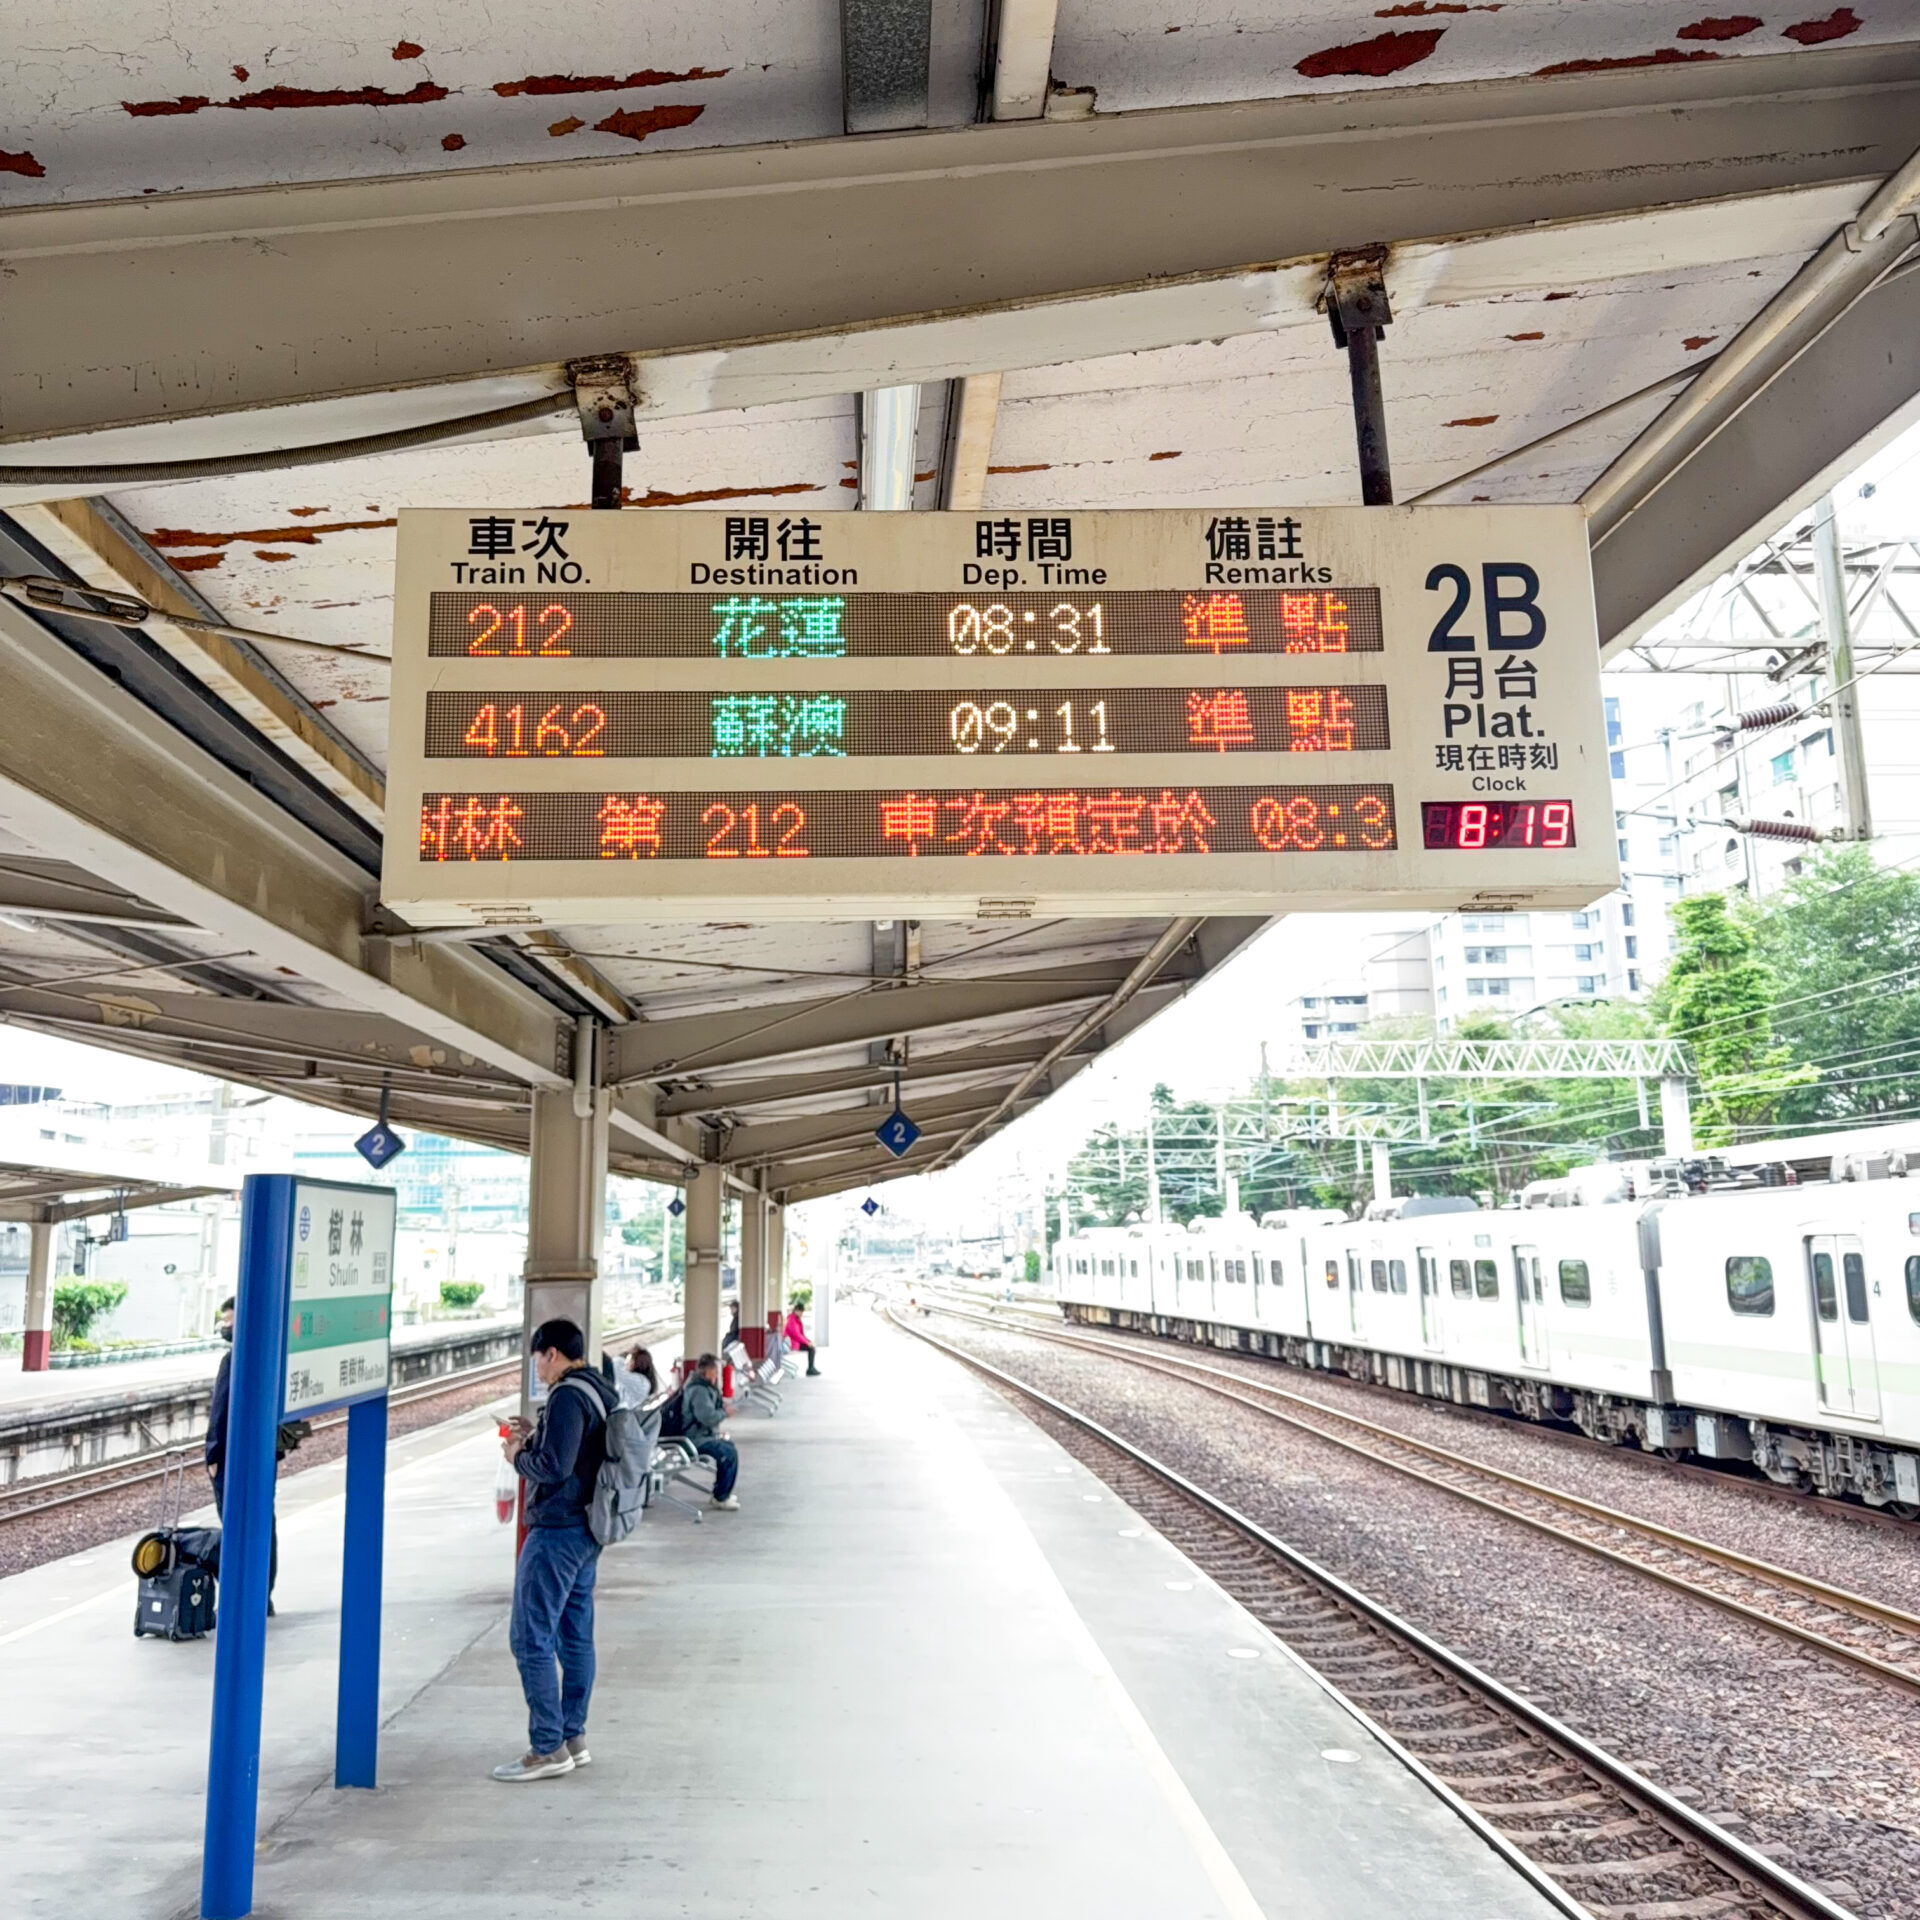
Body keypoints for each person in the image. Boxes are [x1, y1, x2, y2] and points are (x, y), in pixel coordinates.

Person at [493, 1319, 617, 1784]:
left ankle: (547, 1747)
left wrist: (517, 1456)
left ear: (551, 1354)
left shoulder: (567, 1396)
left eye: (537, 1360)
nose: (537, 1370)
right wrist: (537, 1432)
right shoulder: (597, 1388)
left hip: (558, 1531)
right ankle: (572, 1736)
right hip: (586, 1530)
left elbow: (554, 1466)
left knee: (530, 1637)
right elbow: (579, 1451)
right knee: (574, 1635)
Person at [205, 1296, 279, 1608]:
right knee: (264, 1522)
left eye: (229, 1321)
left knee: (234, 1525)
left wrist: (213, 1455)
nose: (225, 1326)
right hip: (264, 1456)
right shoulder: (270, 1355)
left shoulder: (232, 1360)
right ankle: (263, 1595)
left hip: (233, 1461)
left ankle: (239, 1596)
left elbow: (220, 1410)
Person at [681, 1352, 740, 1511]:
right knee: (727, 1453)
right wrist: (724, 1413)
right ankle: (721, 1497)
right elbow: (707, 1417)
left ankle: (721, 1492)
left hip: (700, 1435)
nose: (718, 1374)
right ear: (707, 1371)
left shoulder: (702, 1386)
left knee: (728, 1448)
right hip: (694, 1439)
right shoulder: (699, 1390)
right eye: (716, 1370)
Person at [783, 1304, 820, 1377]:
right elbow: (796, 1335)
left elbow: (801, 1334)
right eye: (801, 1312)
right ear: (796, 1311)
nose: (801, 1314)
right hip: (792, 1343)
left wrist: (809, 1341)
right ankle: (810, 1368)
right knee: (811, 1349)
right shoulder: (792, 1320)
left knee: (811, 1347)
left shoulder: (796, 1319)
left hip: (795, 1342)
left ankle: (811, 1368)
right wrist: (807, 1343)